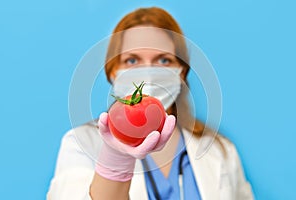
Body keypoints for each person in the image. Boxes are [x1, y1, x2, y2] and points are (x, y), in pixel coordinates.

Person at [47, 7, 254, 200]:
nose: (148, 73)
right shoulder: (81, 143)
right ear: (112, 71)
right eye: (132, 60)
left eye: (164, 60)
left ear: (181, 72)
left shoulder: (220, 149)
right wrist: (115, 161)